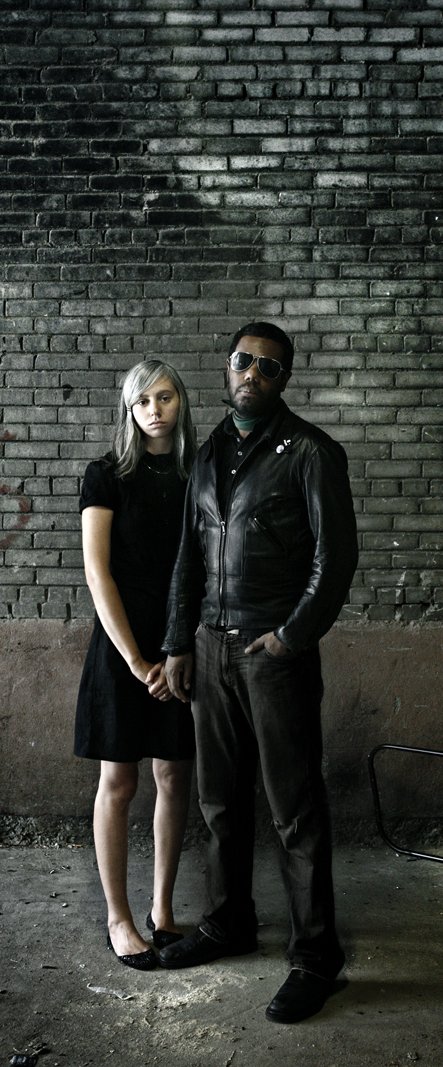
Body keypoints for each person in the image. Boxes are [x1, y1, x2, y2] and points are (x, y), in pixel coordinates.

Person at [158, 322, 359, 1023]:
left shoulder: (310, 451)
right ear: (227, 365)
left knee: (294, 810)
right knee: (219, 801)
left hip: (273, 659)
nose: (252, 374)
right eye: (244, 361)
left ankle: (315, 956)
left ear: (283, 380)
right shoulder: (208, 451)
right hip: (209, 650)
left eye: (268, 368)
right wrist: (178, 642)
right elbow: (188, 555)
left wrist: (290, 637)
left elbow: (335, 559)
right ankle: (227, 923)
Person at [74, 360, 196, 971]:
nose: (154, 409)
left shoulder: (197, 474)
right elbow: (98, 574)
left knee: (173, 776)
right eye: (142, 400)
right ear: (128, 408)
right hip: (123, 644)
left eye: (165, 397)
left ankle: (163, 910)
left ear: (181, 403)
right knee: (119, 783)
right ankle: (119, 919)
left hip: (181, 643)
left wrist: (177, 649)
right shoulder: (106, 475)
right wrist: (136, 660)